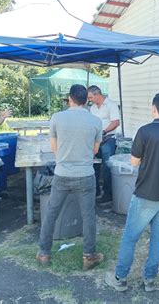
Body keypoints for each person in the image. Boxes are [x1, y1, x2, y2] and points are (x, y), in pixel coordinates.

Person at [105, 92, 159, 292]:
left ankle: (120, 278)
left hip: (145, 193)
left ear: (153, 108)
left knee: (130, 237)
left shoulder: (145, 131)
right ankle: (149, 280)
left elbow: (133, 162)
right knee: (158, 237)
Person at [36, 84, 104, 270]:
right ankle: (89, 255)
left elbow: (53, 146)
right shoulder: (96, 121)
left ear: (70, 98)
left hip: (62, 173)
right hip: (86, 174)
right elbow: (95, 150)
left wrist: (64, 159)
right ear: (86, 99)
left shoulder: (57, 118)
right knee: (88, 216)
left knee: (51, 213)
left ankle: (43, 253)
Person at [87, 85, 120, 204]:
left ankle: (108, 194)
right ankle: (94, 190)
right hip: (96, 140)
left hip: (108, 139)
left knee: (107, 167)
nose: (89, 100)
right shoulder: (93, 108)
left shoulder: (111, 105)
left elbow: (116, 122)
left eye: (90, 97)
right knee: (93, 165)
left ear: (97, 95)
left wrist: (104, 131)